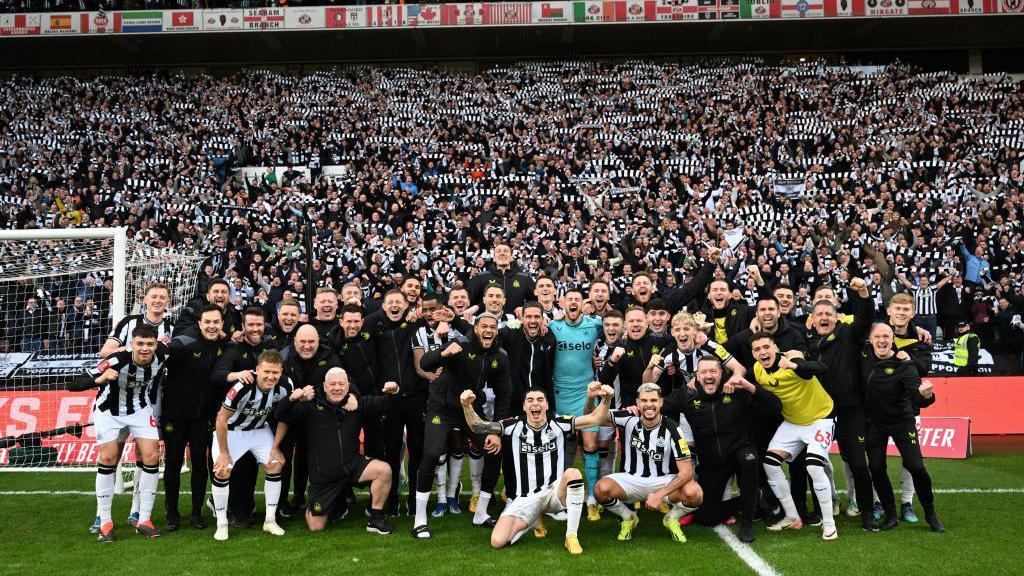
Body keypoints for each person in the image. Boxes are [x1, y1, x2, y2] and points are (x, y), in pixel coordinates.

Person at [460, 383, 615, 555]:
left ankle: (571, 536)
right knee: (497, 541)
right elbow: (478, 426)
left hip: (555, 493)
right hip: (525, 498)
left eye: (540, 400)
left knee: (573, 474)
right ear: (524, 406)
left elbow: (595, 419)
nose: (535, 404)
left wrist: (606, 399)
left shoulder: (560, 423)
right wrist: (467, 406)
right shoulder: (512, 426)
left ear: (547, 405)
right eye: (530, 400)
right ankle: (533, 520)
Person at [662, 356, 782, 543]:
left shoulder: (737, 389)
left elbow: (775, 407)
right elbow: (657, 406)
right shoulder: (686, 394)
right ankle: (754, 497)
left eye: (713, 371)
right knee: (706, 517)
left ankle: (747, 524)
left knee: (749, 459)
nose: (708, 375)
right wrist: (635, 409)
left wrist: (749, 386)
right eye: (704, 372)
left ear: (722, 374)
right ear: (697, 376)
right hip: (712, 460)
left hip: (741, 449)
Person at [413, 312, 510, 539]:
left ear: (496, 331)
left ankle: (482, 513)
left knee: (493, 449)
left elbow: (504, 395)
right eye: (483, 326)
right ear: (475, 329)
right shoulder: (460, 343)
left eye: (492, 327)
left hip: (469, 410)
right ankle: (420, 520)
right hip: (442, 408)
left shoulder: (501, 356)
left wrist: (497, 431)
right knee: (432, 453)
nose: (488, 330)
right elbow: (426, 363)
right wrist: (443, 352)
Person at [69, 324, 168, 542]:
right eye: (140, 344)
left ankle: (143, 519)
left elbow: (180, 345)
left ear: (156, 344)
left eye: (149, 344)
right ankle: (105, 522)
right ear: (131, 344)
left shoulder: (163, 354)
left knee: (152, 456)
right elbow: (73, 384)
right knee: (108, 457)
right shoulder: (116, 360)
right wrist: (100, 379)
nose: (144, 348)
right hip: (109, 412)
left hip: (140, 409)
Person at [88, 282, 173, 534]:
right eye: (154, 296)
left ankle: (137, 510)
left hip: (151, 396)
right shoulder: (128, 322)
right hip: (117, 396)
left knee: (146, 455)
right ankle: (100, 515)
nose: (157, 301)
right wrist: (128, 353)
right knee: (110, 455)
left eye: (162, 297)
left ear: (168, 302)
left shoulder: (171, 328)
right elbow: (105, 351)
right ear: (145, 299)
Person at [274, 368, 398, 535]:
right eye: (332, 384)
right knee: (316, 526)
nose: (337, 388)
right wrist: (292, 399)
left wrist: (394, 391)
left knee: (384, 470)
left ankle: (376, 518)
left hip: (352, 466)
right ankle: (333, 504)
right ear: (324, 386)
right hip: (325, 477)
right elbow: (281, 414)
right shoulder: (309, 407)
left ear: (348, 387)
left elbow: (387, 404)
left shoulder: (356, 404)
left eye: (341, 384)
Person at [751, 333, 840, 540]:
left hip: (821, 418)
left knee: (814, 466)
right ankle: (792, 517)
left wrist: (795, 366)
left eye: (766, 347)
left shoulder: (791, 361)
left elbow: (821, 368)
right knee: (770, 464)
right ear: (753, 354)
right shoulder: (757, 370)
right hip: (793, 422)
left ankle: (829, 524)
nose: (763, 352)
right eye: (757, 349)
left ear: (775, 348)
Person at [592, 382, 703, 543]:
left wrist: (659, 495)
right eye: (644, 400)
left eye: (653, 400)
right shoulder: (628, 418)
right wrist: (594, 400)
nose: (649, 405)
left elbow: (686, 472)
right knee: (600, 489)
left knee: (695, 493)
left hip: (662, 480)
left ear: (661, 402)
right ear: (637, 402)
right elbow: (593, 417)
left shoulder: (673, 428)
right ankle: (629, 517)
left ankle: (671, 518)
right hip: (631, 479)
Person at [860, 323, 945, 532]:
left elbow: (916, 393)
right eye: (877, 336)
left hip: (902, 421)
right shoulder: (862, 357)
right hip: (875, 423)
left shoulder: (905, 364)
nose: (882, 340)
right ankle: (890, 514)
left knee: (916, 466)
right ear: (870, 340)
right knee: (877, 468)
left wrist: (927, 396)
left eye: (886, 336)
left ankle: (930, 513)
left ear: (893, 340)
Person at [160, 304, 231, 532]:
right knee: (173, 462)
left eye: (216, 322)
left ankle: (197, 512)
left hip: (203, 417)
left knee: (200, 463)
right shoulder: (185, 341)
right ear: (199, 323)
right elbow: (167, 351)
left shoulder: (224, 344)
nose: (211, 326)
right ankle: (171, 513)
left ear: (221, 324)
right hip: (176, 415)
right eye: (207, 322)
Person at [210, 350, 292, 541]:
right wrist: (224, 452)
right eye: (266, 372)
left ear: (281, 372)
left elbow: (284, 417)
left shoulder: (286, 386)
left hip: (259, 430)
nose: (271, 377)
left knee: (275, 464)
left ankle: (270, 521)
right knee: (222, 470)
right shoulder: (242, 386)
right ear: (257, 370)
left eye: (275, 373)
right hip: (232, 430)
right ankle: (221, 523)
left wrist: (276, 446)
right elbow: (221, 418)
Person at [210, 306, 276, 530]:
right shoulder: (234, 349)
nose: (255, 329)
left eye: (259, 325)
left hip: (259, 420)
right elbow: (218, 375)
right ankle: (232, 510)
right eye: (251, 325)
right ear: (243, 326)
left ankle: (246, 509)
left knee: (253, 468)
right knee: (229, 468)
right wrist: (237, 374)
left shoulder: (270, 347)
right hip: (232, 419)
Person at [277, 324, 342, 517]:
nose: (307, 346)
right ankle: (281, 503)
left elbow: (338, 384)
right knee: (284, 459)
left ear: (318, 341)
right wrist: (294, 398)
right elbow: (273, 387)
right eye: (303, 342)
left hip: (317, 417)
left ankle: (309, 499)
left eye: (311, 341)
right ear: (295, 342)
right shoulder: (283, 357)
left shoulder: (329, 357)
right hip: (289, 417)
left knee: (312, 459)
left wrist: (315, 394)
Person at [548, 289, 603, 508]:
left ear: (583, 304)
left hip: (586, 393)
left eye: (577, 300)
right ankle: (559, 496)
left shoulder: (594, 325)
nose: (573, 303)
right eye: (569, 299)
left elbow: (615, 328)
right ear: (562, 303)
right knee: (562, 446)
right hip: (560, 393)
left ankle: (592, 497)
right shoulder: (553, 326)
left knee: (590, 443)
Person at [468, 241, 535, 313]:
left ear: (511, 258)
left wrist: (524, 309)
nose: (502, 253)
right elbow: (469, 301)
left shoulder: (525, 278)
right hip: (488, 322)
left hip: (515, 322)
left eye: (506, 251)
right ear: (493, 258)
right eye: (498, 251)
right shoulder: (480, 277)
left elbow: (534, 303)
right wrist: (478, 306)